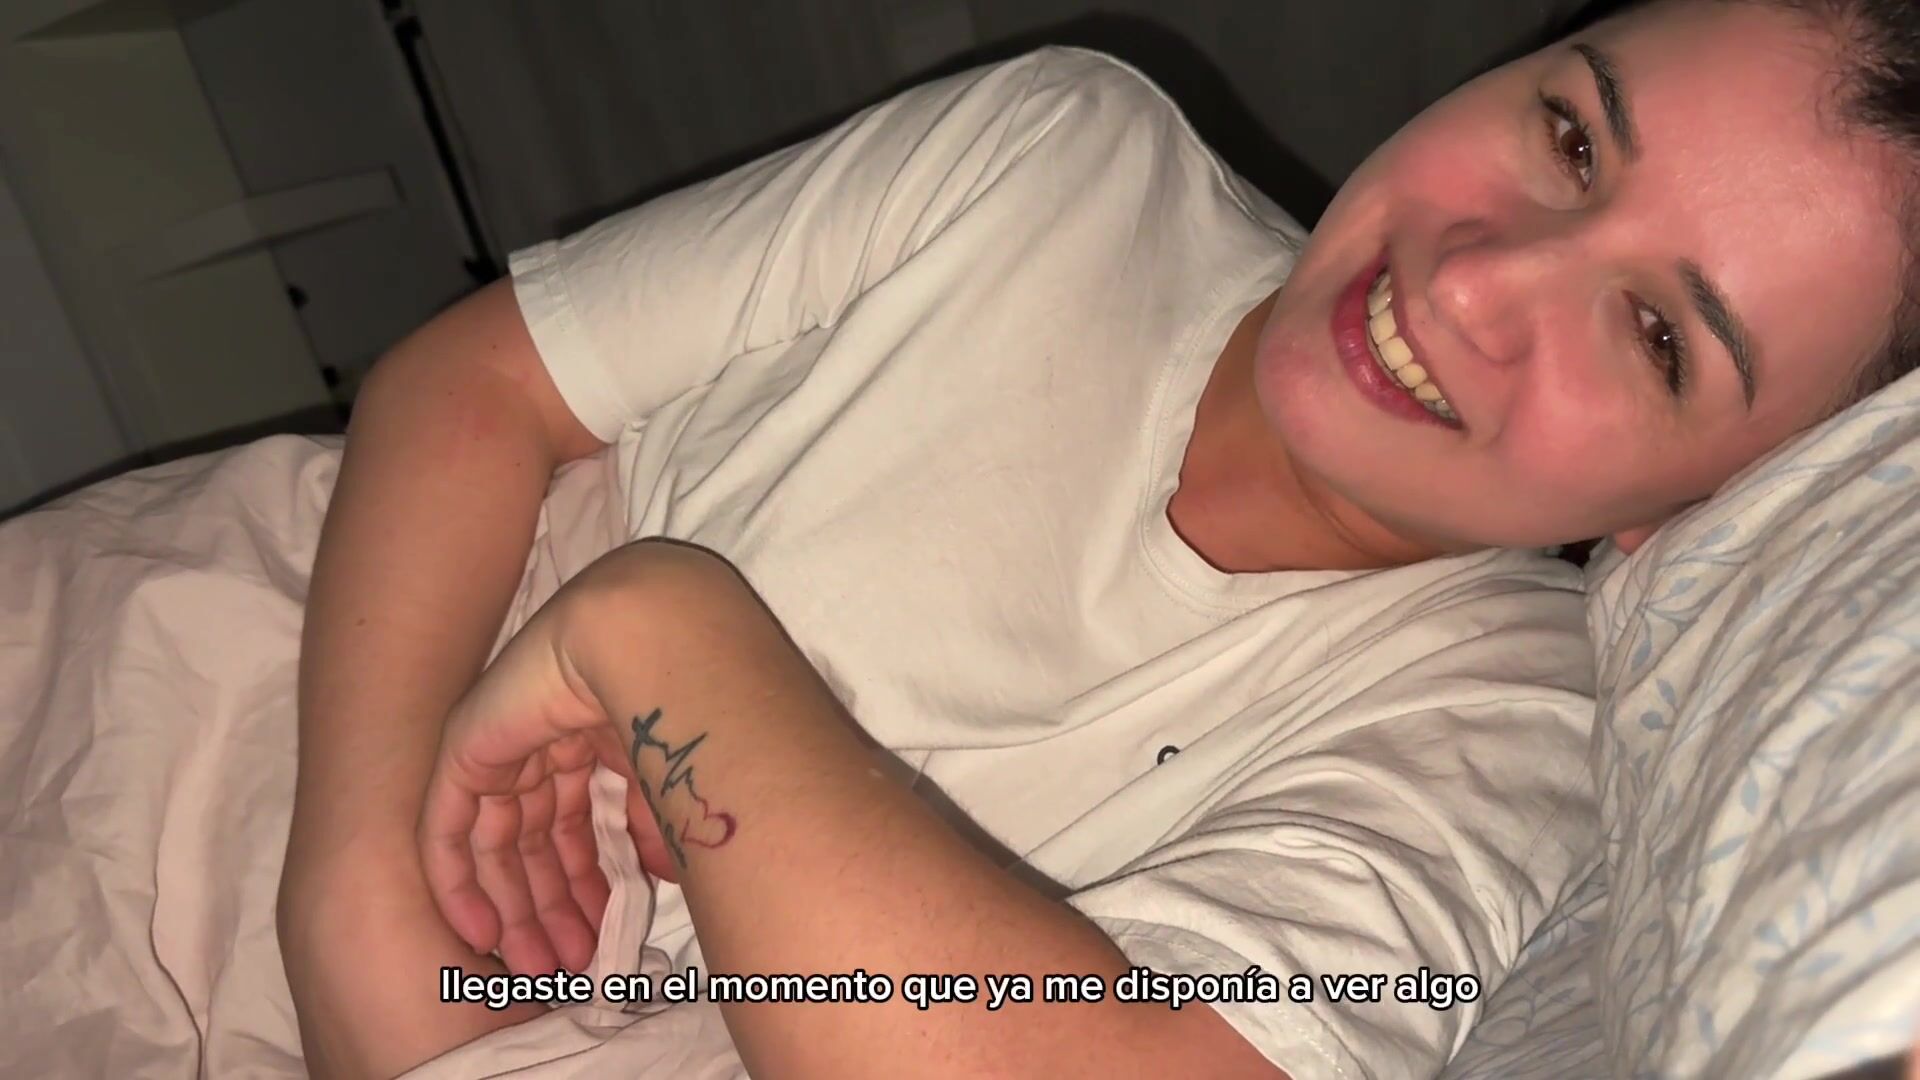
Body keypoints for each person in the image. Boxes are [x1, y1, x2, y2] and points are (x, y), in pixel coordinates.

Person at [274, 0, 1920, 1075]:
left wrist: (664, 639)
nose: (1480, 281)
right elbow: (478, 388)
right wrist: (352, 905)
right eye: (1570, 137)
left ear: (1701, 512)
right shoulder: (1063, 154)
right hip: (321, 674)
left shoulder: (1509, 723)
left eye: (1656, 338)